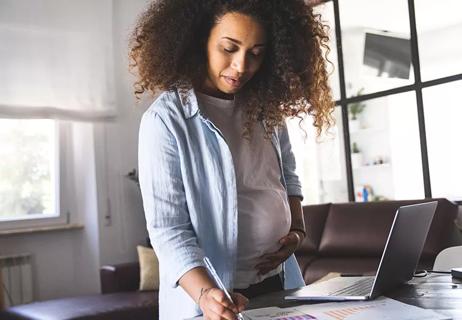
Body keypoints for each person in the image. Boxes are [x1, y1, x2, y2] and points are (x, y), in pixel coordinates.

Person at [131, 0, 333, 319]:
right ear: (201, 41)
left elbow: (288, 178)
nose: (241, 66)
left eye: (256, 53)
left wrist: (297, 231)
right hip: (216, 299)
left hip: (280, 282)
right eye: (229, 48)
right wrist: (206, 293)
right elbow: (168, 230)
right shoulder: (166, 121)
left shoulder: (267, 110)